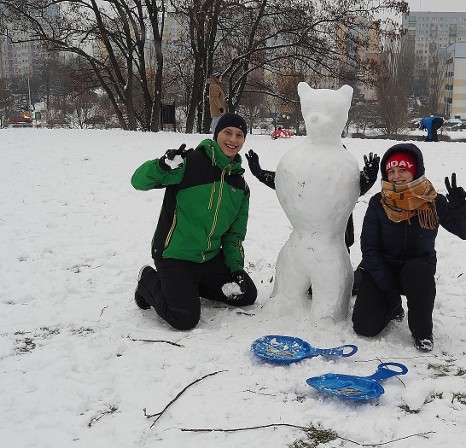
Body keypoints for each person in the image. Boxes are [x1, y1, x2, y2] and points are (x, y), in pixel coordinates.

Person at [132, 113, 257, 330]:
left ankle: (188, 287)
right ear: (217, 134)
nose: (233, 140)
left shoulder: (239, 186)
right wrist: (161, 166)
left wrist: (236, 268)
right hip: (174, 255)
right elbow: (138, 181)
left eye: (239, 135)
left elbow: (233, 235)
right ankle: (148, 280)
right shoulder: (189, 164)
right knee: (184, 319)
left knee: (246, 293)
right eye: (227, 132)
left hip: (207, 258)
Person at [352, 143, 466, 352]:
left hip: (417, 271)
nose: (396, 176)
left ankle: (422, 332)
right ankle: (392, 305)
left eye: (403, 170)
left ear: (415, 171)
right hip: (381, 267)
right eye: (391, 171)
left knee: (418, 270)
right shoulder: (378, 202)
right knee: (364, 327)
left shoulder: (433, 201)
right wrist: (386, 284)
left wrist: (459, 208)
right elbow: (369, 247)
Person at [244, 148, 380, 294]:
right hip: (310, 247)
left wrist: (368, 177)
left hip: (336, 247)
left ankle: (362, 271)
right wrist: (260, 173)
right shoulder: (308, 181)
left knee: (335, 290)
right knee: (311, 289)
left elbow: (359, 184)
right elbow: (284, 182)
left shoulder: (344, 183)